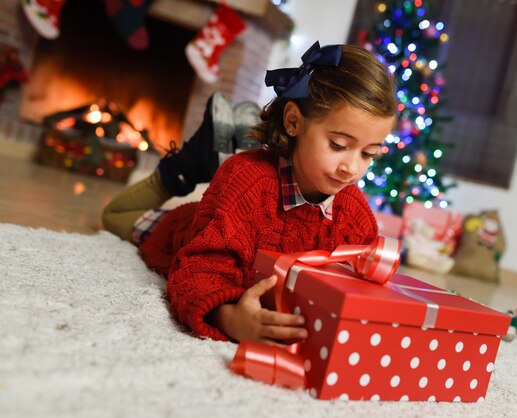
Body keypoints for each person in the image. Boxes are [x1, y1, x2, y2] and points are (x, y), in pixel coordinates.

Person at [102, 41, 397, 345]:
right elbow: (197, 271)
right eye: (338, 145)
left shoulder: (356, 217)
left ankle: (220, 155)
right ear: (293, 121)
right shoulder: (245, 181)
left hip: (234, 209)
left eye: (369, 154)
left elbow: (359, 289)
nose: (352, 168)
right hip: (192, 229)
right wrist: (229, 318)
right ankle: (188, 165)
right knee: (112, 216)